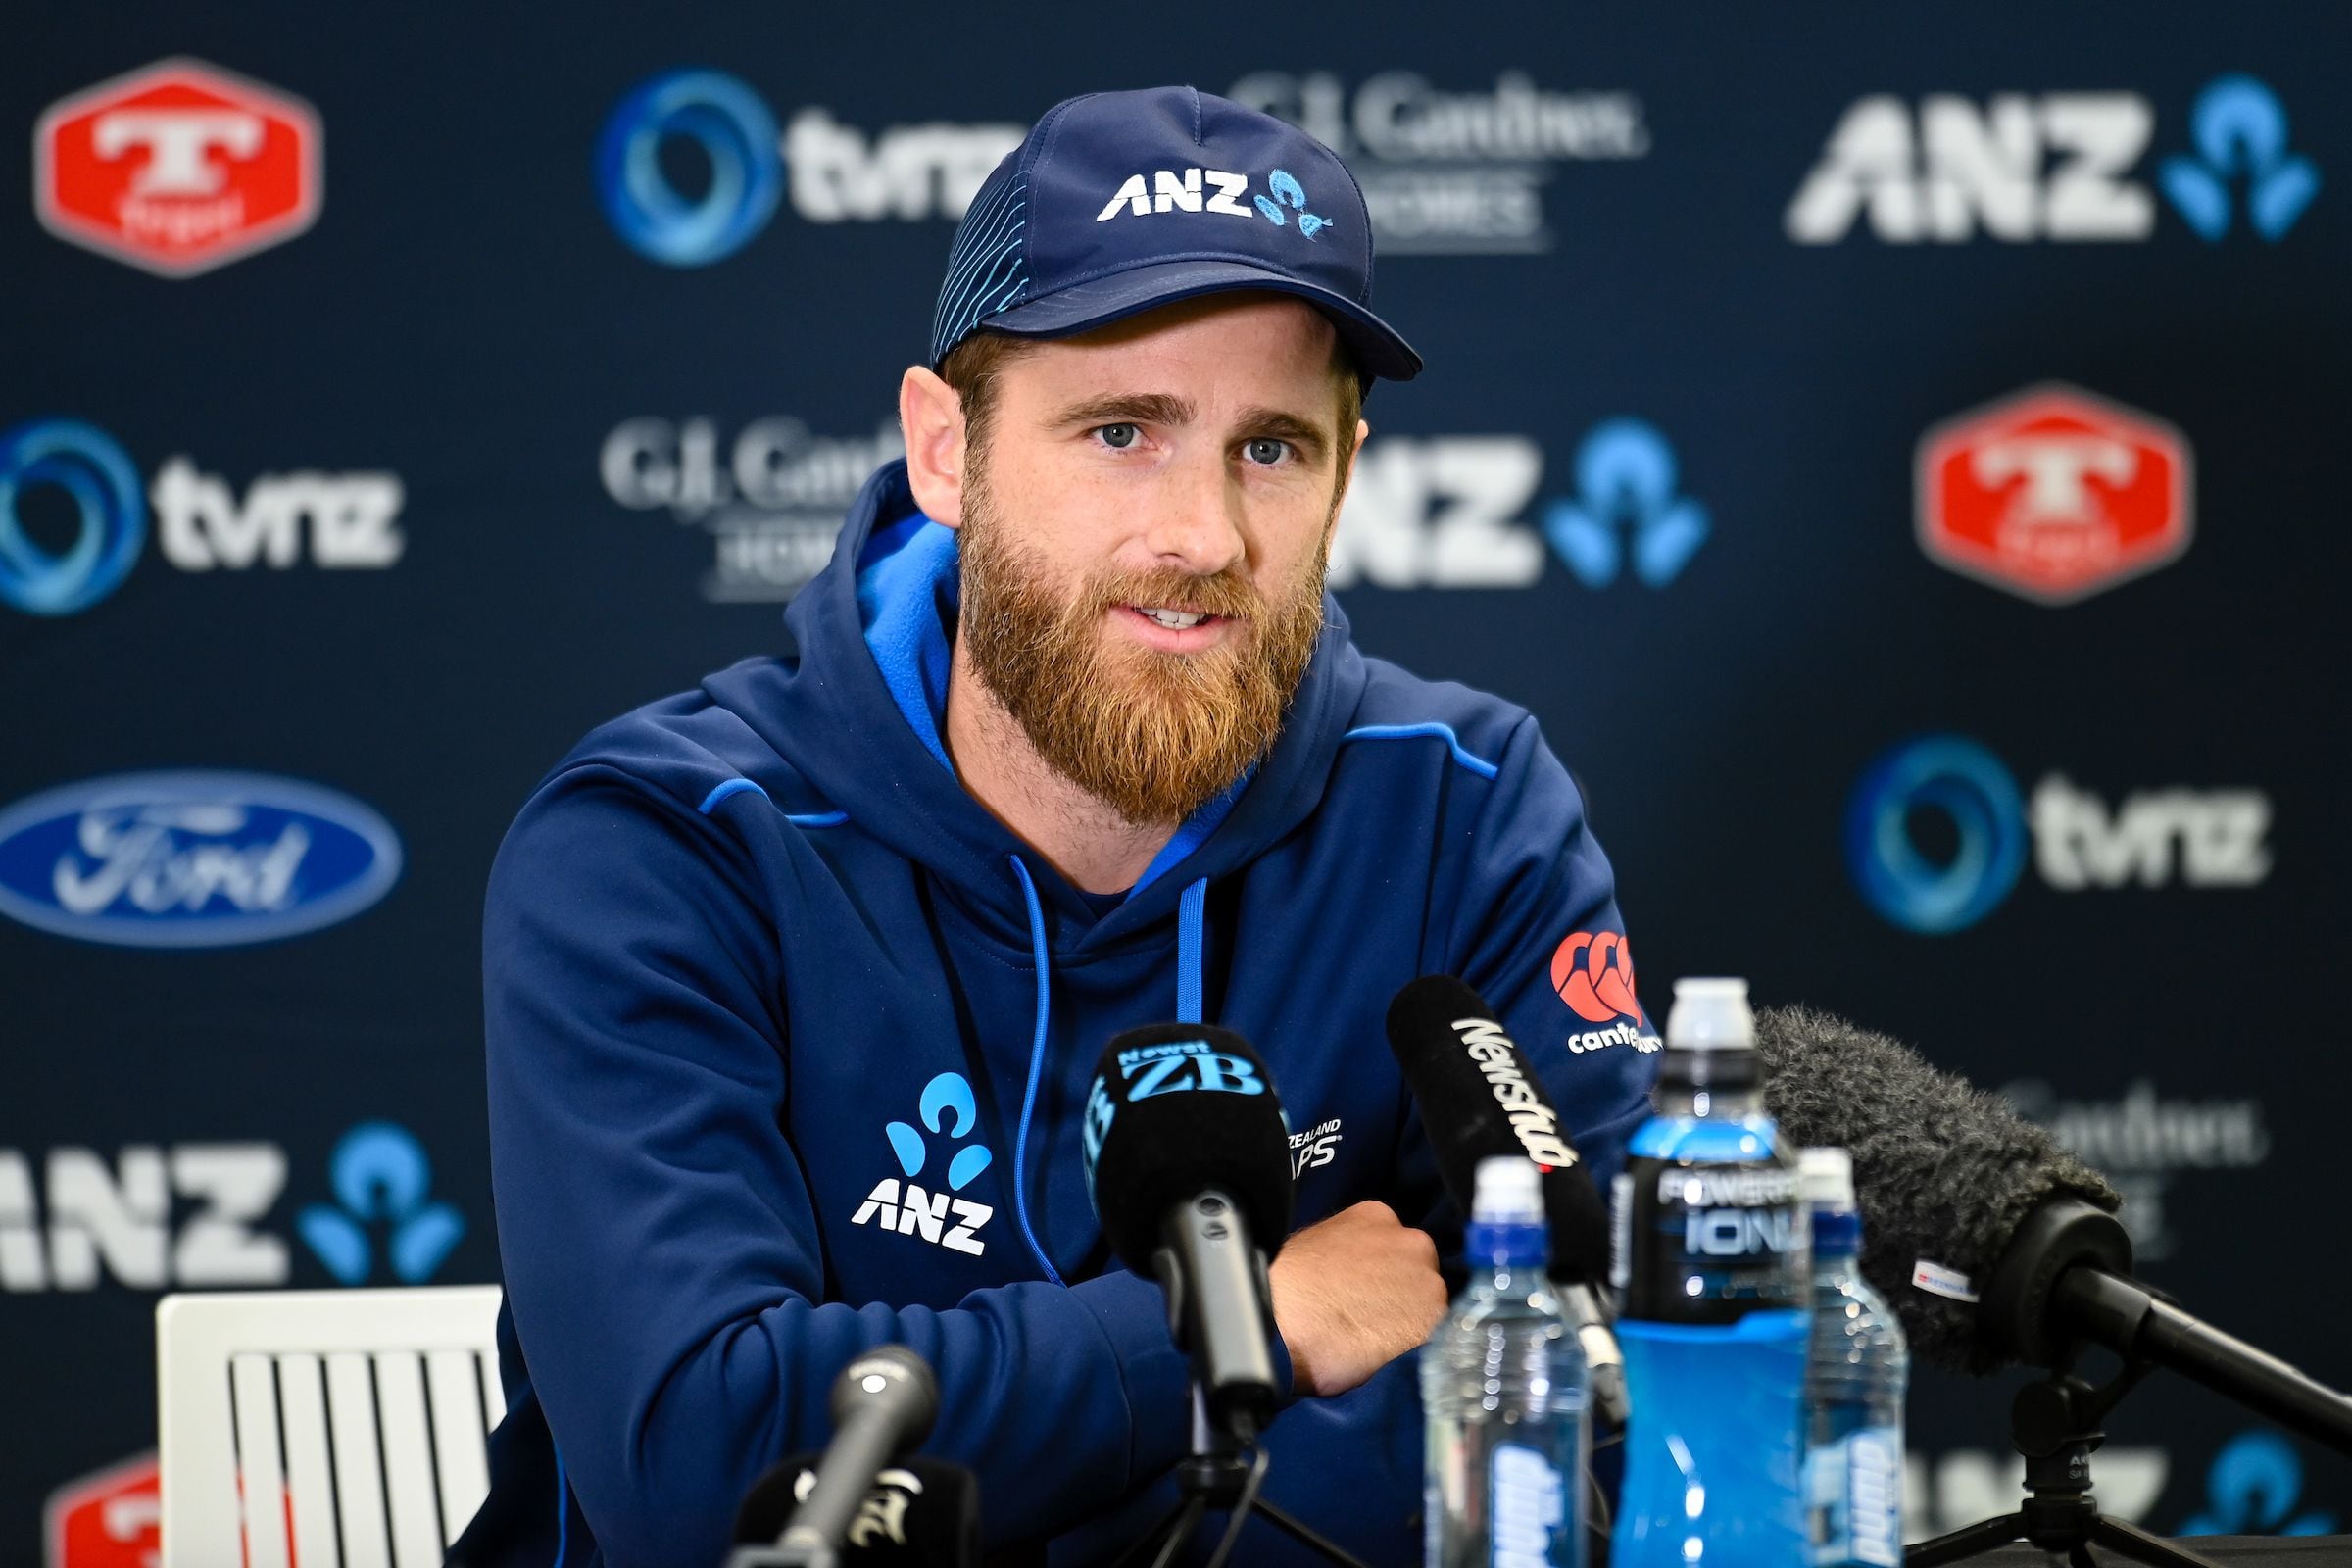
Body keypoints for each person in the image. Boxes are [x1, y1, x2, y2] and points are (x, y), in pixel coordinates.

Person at [454, 85, 1657, 1568]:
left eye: (1271, 449)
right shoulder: (665, 845)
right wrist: (1253, 1326)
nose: (1204, 537)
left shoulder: (1464, 808)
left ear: (1347, 471)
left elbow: (1610, 1389)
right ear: (944, 452)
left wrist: (984, 1457)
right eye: (1122, 431)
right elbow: (705, 1466)